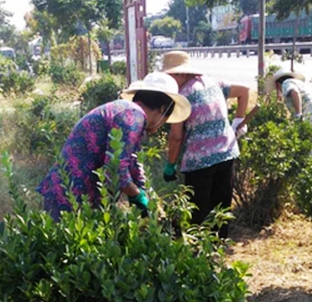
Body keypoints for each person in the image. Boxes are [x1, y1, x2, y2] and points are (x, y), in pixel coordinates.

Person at [37, 72, 190, 218]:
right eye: (166, 119)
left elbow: (132, 162)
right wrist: (136, 195)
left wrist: (146, 194)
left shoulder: (127, 112)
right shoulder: (132, 116)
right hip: (71, 194)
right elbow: (116, 170)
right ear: (163, 110)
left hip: (72, 190)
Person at [161, 51, 251, 238]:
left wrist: (170, 166)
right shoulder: (212, 82)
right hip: (227, 153)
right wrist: (238, 120)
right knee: (220, 209)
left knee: (198, 213)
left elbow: (176, 137)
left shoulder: (180, 98)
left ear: (180, 74)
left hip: (199, 161)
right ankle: (219, 252)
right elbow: (244, 91)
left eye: (169, 76)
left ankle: (199, 257)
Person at [268, 68, 312, 155]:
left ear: (278, 85)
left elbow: (294, 92)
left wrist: (298, 114)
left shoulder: (287, 83)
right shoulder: (303, 85)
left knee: (311, 156)